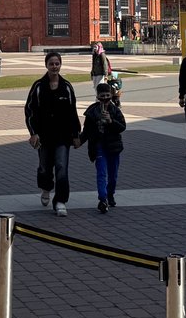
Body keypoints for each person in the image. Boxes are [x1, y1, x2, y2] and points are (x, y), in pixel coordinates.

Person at [24, 51, 80, 216]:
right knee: (45, 167)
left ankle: (60, 201)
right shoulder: (38, 86)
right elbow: (29, 110)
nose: (54, 67)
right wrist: (33, 133)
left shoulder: (67, 87)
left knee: (62, 167)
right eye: (51, 64)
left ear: (60, 65)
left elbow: (72, 112)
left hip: (63, 136)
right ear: (46, 65)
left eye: (57, 63)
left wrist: (76, 134)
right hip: (44, 136)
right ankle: (46, 188)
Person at [81, 80, 126, 214]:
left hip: (113, 146)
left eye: (107, 95)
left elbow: (122, 127)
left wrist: (111, 121)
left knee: (113, 176)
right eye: (102, 95)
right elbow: (87, 130)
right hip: (99, 145)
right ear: (97, 95)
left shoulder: (115, 110)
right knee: (101, 173)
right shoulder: (92, 111)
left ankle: (110, 194)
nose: (105, 98)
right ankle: (103, 198)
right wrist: (79, 141)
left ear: (111, 95)